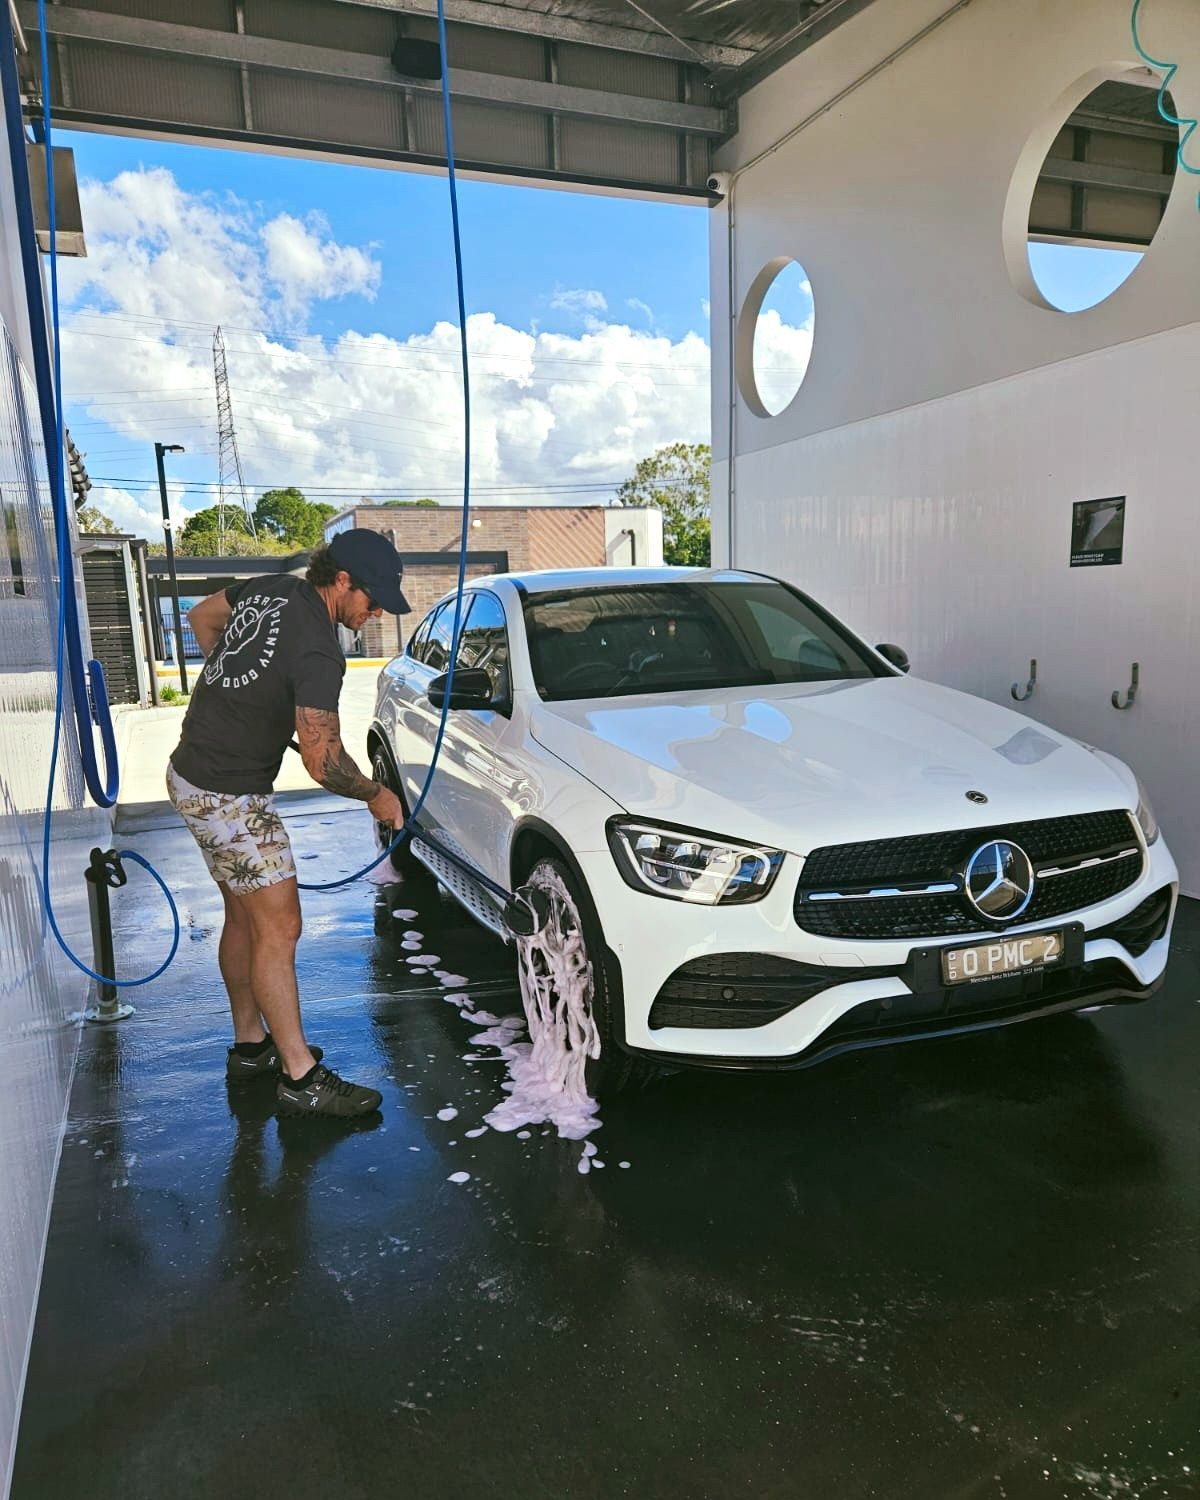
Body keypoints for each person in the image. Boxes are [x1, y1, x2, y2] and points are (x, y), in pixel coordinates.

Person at [165, 529, 409, 1119]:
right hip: (229, 795)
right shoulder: (321, 650)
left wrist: (242, 695)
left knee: (245, 918)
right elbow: (323, 763)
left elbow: (202, 617)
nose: (377, 612)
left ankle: (252, 1048)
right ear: (342, 580)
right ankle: (301, 1078)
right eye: (373, 599)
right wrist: (377, 795)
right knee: (281, 927)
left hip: (191, 773)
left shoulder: (271, 587)